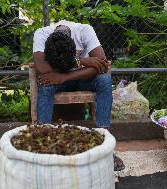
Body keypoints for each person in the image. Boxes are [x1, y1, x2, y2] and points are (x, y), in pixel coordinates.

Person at [33, 20, 125, 171]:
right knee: (45, 84)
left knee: (104, 79)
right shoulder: (41, 34)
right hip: (57, 81)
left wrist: (64, 76)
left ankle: (105, 146)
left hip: (81, 79)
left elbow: (102, 65)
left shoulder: (84, 31)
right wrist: (81, 61)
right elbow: (42, 67)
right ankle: (44, 144)